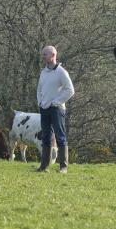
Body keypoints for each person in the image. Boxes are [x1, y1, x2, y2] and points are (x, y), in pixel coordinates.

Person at [36, 45, 74, 173]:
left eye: (45, 54)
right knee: (46, 137)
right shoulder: (43, 72)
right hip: (44, 109)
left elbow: (70, 90)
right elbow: (39, 89)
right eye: (43, 54)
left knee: (60, 137)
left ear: (53, 55)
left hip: (57, 110)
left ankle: (63, 167)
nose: (43, 57)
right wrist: (40, 102)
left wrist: (57, 102)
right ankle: (44, 166)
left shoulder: (61, 72)